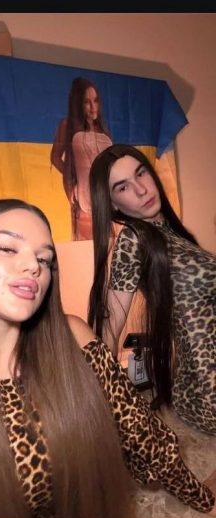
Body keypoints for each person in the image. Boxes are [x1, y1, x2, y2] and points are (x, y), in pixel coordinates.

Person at [0, 198, 216, 518]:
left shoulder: (74, 339)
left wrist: (204, 499)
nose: (33, 266)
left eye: (44, 259)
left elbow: (143, 436)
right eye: (8, 248)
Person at [88, 144, 215, 435]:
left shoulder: (169, 233)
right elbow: (110, 326)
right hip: (207, 387)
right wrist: (99, 404)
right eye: (123, 187)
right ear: (113, 205)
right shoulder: (133, 239)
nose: (142, 189)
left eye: (141, 173)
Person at [50, 77, 112, 241]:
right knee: (86, 245)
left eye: (95, 101)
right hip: (83, 199)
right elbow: (55, 157)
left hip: (107, 197)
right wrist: (73, 183)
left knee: (109, 244)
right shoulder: (67, 125)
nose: (93, 107)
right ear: (78, 104)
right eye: (86, 102)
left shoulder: (103, 128)